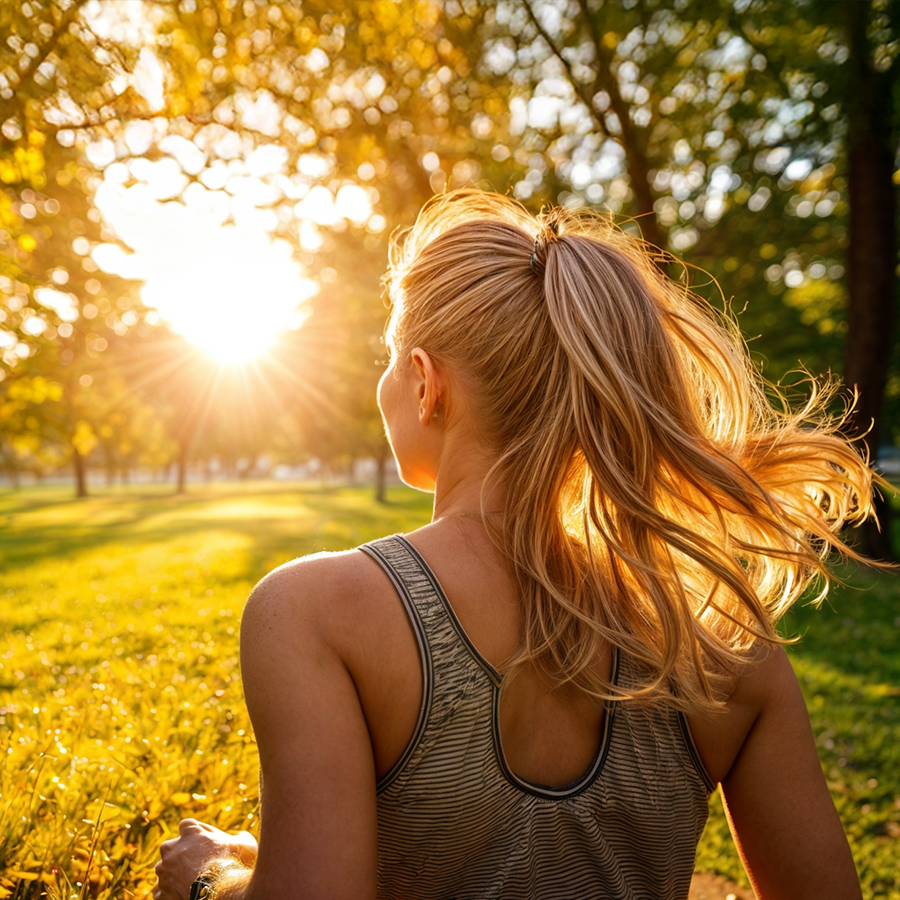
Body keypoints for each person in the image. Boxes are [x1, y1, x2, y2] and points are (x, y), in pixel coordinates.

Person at [154, 189, 879, 900]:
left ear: (423, 384)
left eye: (390, 354)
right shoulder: (729, 650)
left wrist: (211, 880)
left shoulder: (311, 611)